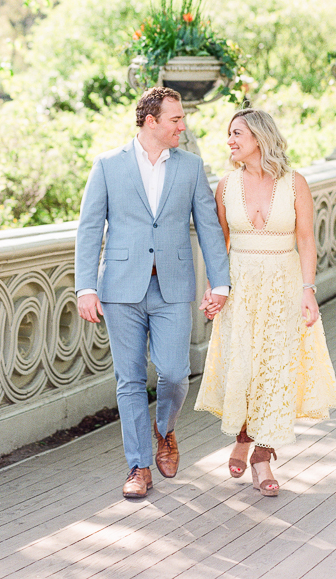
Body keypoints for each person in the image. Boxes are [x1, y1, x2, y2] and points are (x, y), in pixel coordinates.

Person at [75, 86, 230, 499]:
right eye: (176, 119)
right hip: (120, 289)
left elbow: (209, 228)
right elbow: (90, 228)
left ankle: (166, 430)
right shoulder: (108, 165)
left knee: (175, 373)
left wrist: (221, 283)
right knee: (128, 381)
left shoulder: (192, 166)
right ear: (151, 122)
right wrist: (85, 287)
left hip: (174, 286)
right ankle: (139, 467)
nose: (183, 125)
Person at [194, 108, 336, 496]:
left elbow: (307, 240)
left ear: (259, 137)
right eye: (229, 134)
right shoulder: (226, 185)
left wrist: (308, 290)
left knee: (276, 369)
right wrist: (215, 288)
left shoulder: (295, 184)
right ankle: (243, 435)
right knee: (242, 367)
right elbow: (218, 246)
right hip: (241, 288)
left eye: (237, 133)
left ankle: (262, 455)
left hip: (284, 286)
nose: (230, 140)